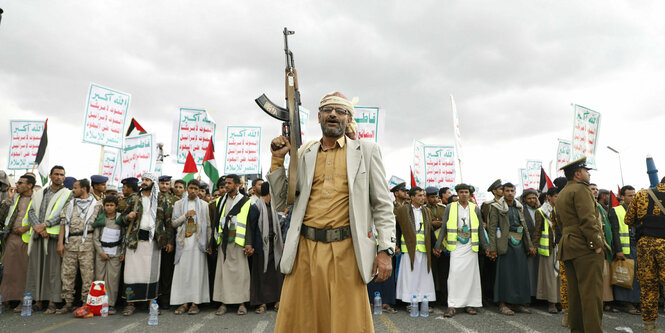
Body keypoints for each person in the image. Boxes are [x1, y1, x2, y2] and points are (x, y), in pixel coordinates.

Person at [267, 91, 395, 332]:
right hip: (305, 250)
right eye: (328, 110)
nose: (333, 114)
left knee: (347, 323)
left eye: (341, 111)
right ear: (318, 117)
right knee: (302, 322)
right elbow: (282, 201)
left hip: (347, 250)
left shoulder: (366, 151)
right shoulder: (305, 152)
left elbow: (382, 205)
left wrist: (386, 250)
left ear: (348, 119)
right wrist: (277, 161)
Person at [555, 157, 606, 332]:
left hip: (569, 246)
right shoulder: (581, 190)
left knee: (575, 296)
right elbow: (588, 219)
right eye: (586, 170)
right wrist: (596, 244)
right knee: (592, 296)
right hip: (586, 247)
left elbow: (560, 223)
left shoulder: (562, 193)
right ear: (577, 173)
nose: (588, 173)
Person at [434, 183, 488, 317]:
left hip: (471, 246)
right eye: (462, 192)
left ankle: (470, 304)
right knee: (454, 275)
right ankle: (452, 305)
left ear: (469, 194)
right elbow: (444, 228)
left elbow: (481, 229)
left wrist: (486, 247)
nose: (464, 194)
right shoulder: (449, 207)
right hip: (456, 246)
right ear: (457, 194)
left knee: (471, 277)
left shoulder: (475, 208)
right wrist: (438, 245)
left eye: (466, 192)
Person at [121, 174, 171, 316]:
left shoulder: (162, 200)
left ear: (153, 183)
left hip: (154, 242)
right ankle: (130, 304)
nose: (143, 183)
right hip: (134, 241)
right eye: (142, 180)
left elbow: (167, 222)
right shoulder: (133, 198)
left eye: (147, 180)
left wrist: (169, 241)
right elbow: (121, 219)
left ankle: (152, 304)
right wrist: (128, 216)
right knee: (131, 274)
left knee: (151, 274)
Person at [25, 165, 73, 314]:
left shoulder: (68, 194)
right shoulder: (40, 193)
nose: (59, 177)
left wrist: (45, 225)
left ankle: (52, 301)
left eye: (62, 175)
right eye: (56, 174)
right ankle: (38, 300)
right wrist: (37, 227)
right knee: (36, 269)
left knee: (53, 271)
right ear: (51, 176)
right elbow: (31, 210)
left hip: (53, 237)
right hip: (38, 236)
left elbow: (64, 214)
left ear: (64, 177)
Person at [487, 182, 536, 315]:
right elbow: (492, 228)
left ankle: (516, 303)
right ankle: (502, 304)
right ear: (503, 192)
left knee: (519, 273)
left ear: (515, 192)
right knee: (505, 274)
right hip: (504, 243)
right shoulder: (496, 207)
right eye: (507, 190)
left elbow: (524, 227)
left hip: (519, 243)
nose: (510, 193)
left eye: (512, 191)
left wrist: (530, 245)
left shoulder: (519, 206)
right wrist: (492, 248)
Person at [624, 177, 665, 333]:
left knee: (648, 287)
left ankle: (649, 326)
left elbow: (628, 219)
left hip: (645, 245)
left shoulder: (641, 195)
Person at [56, 179, 102, 314]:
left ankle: (86, 303)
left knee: (87, 274)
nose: (73, 190)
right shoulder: (70, 205)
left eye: (75, 188)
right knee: (67, 273)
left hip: (88, 242)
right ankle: (68, 302)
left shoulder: (97, 205)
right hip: (70, 242)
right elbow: (63, 224)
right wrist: (60, 243)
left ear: (84, 189)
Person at [212, 174, 253, 316]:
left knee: (241, 273)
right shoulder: (220, 201)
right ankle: (223, 303)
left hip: (238, 242)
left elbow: (249, 224)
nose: (227, 185)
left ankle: (241, 303)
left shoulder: (246, 201)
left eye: (230, 183)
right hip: (224, 241)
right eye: (226, 183)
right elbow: (216, 223)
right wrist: (214, 242)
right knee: (223, 273)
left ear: (237, 185)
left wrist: (248, 243)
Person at [171, 180, 212, 315]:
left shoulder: (204, 205)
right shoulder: (178, 204)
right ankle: (183, 303)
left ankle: (195, 303)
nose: (193, 191)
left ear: (199, 190)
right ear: (187, 189)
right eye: (191, 188)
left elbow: (209, 226)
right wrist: (185, 215)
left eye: (196, 189)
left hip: (198, 245)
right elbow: (173, 223)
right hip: (183, 245)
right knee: (183, 273)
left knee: (196, 273)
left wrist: (209, 244)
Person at [395, 187, 435, 311]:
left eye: (423, 195)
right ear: (412, 197)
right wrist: (396, 244)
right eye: (419, 195)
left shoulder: (426, 211)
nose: (422, 198)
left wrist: (436, 246)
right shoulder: (402, 210)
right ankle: (410, 302)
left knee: (423, 276)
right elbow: (398, 229)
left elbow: (430, 230)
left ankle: (423, 301)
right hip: (408, 248)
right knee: (410, 276)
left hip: (423, 249)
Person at [0, 174, 34, 312]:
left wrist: (26, 228)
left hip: (28, 239)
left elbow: (40, 218)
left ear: (29, 186)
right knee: (7, 271)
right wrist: (8, 200)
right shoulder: (14, 198)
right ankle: (6, 299)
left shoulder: (37, 199)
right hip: (11, 238)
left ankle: (22, 300)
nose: (17, 185)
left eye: (21, 183)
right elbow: (2, 217)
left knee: (23, 272)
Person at [248, 182, 284, 313]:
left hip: (274, 246)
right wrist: (250, 245)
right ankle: (262, 302)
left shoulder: (273, 206)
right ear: (270, 192)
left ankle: (277, 300)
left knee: (276, 274)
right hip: (261, 247)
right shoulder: (256, 207)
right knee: (261, 275)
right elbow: (250, 228)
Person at [609, 185, 640, 315]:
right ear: (622, 196)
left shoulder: (639, 209)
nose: (633, 198)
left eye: (634, 195)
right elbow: (615, 232)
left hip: (637, 247)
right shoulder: (615, 210)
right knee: (625, 276)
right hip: (624, 249)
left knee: (637, 277)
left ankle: (635, 301)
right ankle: (626, 303)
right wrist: (618, 250)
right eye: (629, 195)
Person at [92, 195, 124, 315]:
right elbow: (95, 238)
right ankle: (99, 303)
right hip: (102, 253)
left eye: (111, 205)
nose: (109, 208)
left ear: (116, 206)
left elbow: (124, 237)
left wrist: (122, 252)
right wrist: (101, 252)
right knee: (99, 278)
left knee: (113, 280)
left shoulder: (120, 219)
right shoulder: (101, 219)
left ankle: (110, 304)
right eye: (107, 205)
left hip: (115, 253)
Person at [532, 186, 561, 313]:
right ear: (548, 197)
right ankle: (551, 302)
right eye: (555, 196)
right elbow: (537, 231)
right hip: (548, 248)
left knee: (561, 276)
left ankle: (561, 300)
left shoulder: (563, 210)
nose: (558, 198)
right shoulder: (541, 211)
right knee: (550, 276)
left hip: (562, 247)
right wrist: (534, 246)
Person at [424, 186, 448, 309]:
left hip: (443, 244)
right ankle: (431, 299)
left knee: (444, 273)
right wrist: (432, 224)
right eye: (432, 197)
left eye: (436, 196)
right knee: (431, 274)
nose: (435, 199)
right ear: (427, 197)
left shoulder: (443, 208)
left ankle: (444, 298)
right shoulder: (423, 209)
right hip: (429, 244)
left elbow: (448, 223)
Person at [480, 179, 502, 305]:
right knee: (489, 270)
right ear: (494, 191)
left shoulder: (508, 203)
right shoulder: (488, 205)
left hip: (503, 239)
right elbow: (484, 222)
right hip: (491, 239)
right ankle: (488, 295)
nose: (503, 191)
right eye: (500, 189)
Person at [157, 175, 176, 309]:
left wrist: (170, 241)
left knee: (166, 271)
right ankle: (153, 297)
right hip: (154, 241)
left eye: (167, 183)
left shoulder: (175, 200)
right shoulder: (152, 198)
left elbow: (171, 224)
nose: (164, 186)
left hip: (168, 240)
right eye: (162, 183)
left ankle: (165, 299)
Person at [521, 189, 540, 300]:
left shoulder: (540, 209)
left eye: (534, 198)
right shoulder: (522, 210)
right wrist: (529, 245)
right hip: (527, 245)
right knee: (529, 272)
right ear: (524, 199)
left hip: (539, 245)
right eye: (529, 198)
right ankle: (530, 296)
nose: (532, 200)